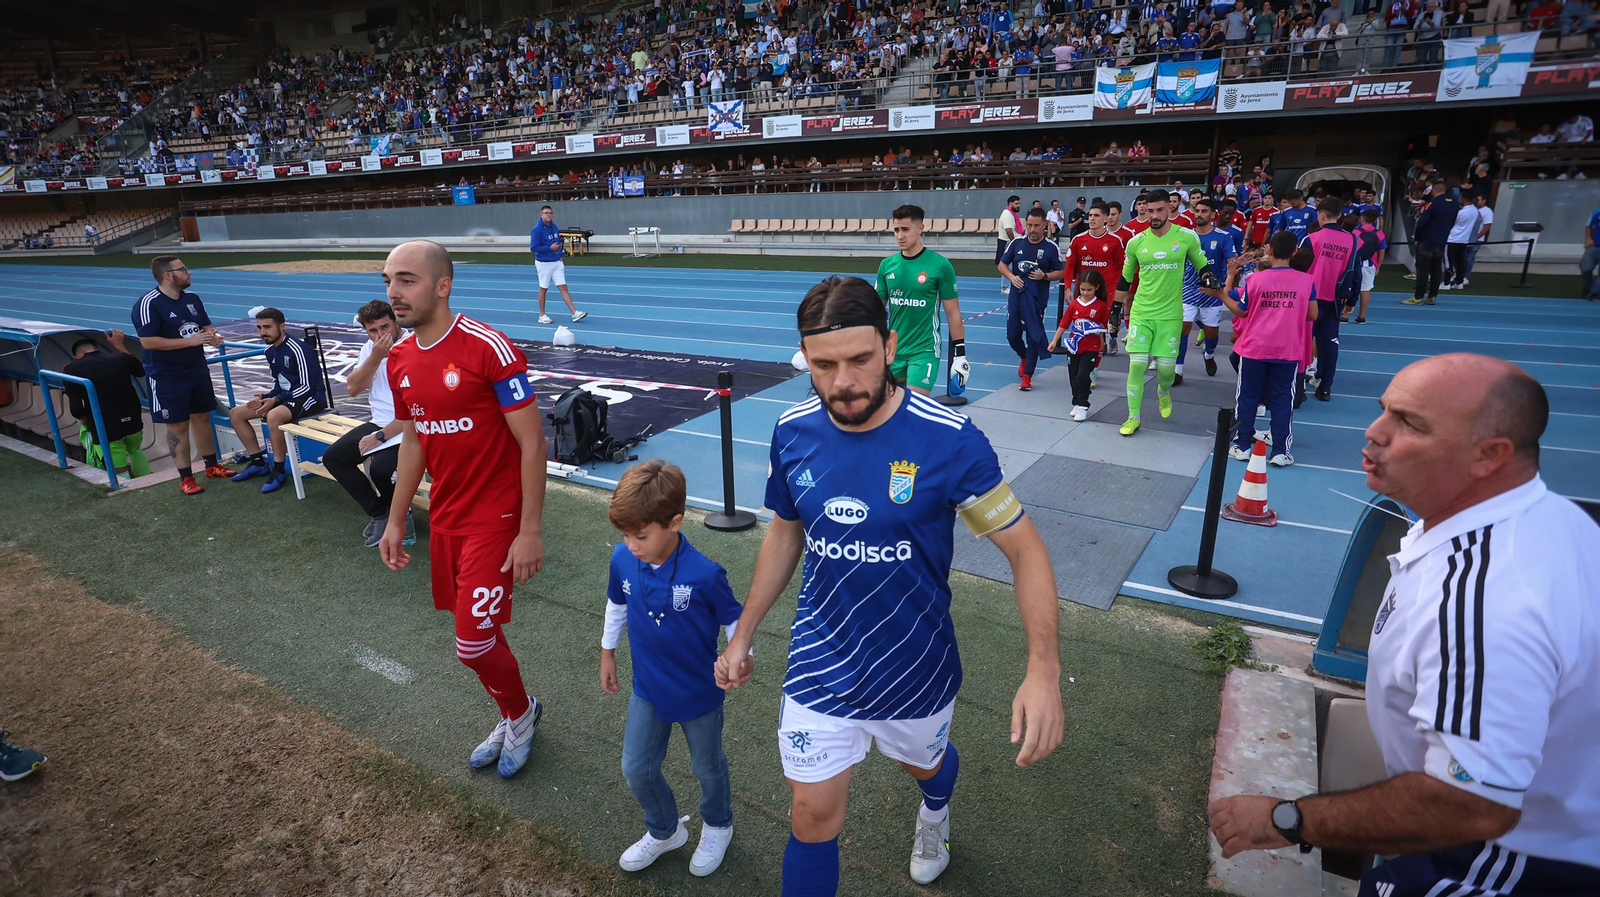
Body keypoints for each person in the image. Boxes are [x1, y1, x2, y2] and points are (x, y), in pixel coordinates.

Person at [715, 276, 1064, 896]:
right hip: (821, 660)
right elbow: (785, 534)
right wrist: (744, 633)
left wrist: (1042, 670)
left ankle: (936, 809)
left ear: (890, 344)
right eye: (824, 365)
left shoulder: (949, 440)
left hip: (915, 665)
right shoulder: (792, 431)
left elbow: (1026, 551)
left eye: (859, 360)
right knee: (811, 815)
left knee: (924, 764)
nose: (843, 381)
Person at [1210, 354, 1600, 897]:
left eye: (1409, 423)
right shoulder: (1542, 521)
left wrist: (1286, 819)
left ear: (1490, 454)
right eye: (1383, 410)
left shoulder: (1485, 599)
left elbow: (1470, 803)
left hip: (1499, 862)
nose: (1374, 432)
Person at [378, 241, 548, 780]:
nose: (393, 292)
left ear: (442, 285)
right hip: (447, 514)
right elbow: (414, 441)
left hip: (496, 518)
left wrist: (530, 530)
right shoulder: (400, 357)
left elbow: (533, 443)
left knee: (471, 642)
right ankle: (511, 709)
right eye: (388, 280)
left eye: (406, 280)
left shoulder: (487, 348)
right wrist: (397, 517)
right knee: (478, 631)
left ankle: (520, 713)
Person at [600, 460, 746, 877]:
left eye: (640, 535)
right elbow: (617, 603)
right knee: (635, 767)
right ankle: (665, 830)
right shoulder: (623, 558)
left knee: (707, 767)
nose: (630, 544)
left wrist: (739, 655)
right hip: (646, 688)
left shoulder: (704, 574)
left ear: (675, 523)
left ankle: (719, 824)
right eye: (625, 535)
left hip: (699, 694)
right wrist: (608, 651)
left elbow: (736, 622)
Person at [1116, 192, 1219, 435]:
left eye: (1159, 210)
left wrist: (1209, 277)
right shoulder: (1136, 242)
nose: (1153, 215)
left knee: (1165, 371)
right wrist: (1114, 311)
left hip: (1171, 314)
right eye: (1149, 210)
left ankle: (1163, 392)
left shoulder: (1186, 237)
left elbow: (1201, 263)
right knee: (1137, 365)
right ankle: (1133, 417)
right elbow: (1125, 279)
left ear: (1170, 208)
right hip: (1142, 312)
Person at [1210, 232, 1317, 466]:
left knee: (1247, 398)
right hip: (1287, 350)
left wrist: (1219, 294)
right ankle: (1280, 451)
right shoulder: (1306, 281)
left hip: (1255, 349)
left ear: (1270, 251)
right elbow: (1312, 314)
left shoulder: (1255, 280)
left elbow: (1241, 310)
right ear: (1294, 252)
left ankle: (1242, 446)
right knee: (1282, 400)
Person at [132, 255, 231, 495]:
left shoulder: (192, 299)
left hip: (197, 370)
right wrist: (189, 342)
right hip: (167, 376)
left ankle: (211, 465)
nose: (189, 273)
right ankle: (186, 478)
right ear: (168, 275)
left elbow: (205, 326)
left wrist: (212, 337)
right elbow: (148, 341)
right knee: (177, 426)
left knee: (202, 417)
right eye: (183, 269)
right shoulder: (149, 304)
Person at [322, 299, 414, 547]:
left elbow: (418, 411)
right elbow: (352, 389)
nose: (380, 335)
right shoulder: (370, 348)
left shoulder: (415, 347)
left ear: (395, 321)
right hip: (381, 422)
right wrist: (375, 356)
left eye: (384, 327)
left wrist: (381, 436)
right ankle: (381, 513)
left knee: (380, 470)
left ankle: (402, 520)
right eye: (372, 331)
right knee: (334, 458)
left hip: (409, 428)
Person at [227, 308, 328, 493]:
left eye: (267, 327)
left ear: (282, 326)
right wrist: (266, 397)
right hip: (287, 398)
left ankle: (279, 470)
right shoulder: (270, 351)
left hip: (311, 399)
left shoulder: (299, 349)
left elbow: (307, 388)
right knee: (236, 413)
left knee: (273, 416)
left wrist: (275, 400)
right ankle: (258, 462)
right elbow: (281, 383)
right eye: (259, 327)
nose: (263, 332)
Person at [876, 205, 968, 396]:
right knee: (883, 413)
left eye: (905, 229)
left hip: (924, 350)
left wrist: (960, 355)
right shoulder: (887, 265)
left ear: (920, 229)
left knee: (913, 408)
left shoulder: (940, 265)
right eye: (896, 230)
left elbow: (953, 313)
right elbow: (874, 309)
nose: (900, 235)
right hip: (893, 350)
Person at [63, 330, 150, 479]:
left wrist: (85, 422)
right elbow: (141, 371)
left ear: (76, 357)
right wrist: (120, 345)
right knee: (135, 450)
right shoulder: (120, 358)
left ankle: (126, 489)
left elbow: (76, 408)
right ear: (98, 349)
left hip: (104, 423)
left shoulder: (71, 369)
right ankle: (149, 481)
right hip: (132, 416)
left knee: (117, 463)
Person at [999, 208, 1066, 392]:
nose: (1033, 229)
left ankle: (1027, 376)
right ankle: (1024, 356)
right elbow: (1002, 264)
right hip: (1016, 296)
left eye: (1037, 225)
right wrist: (1012, 278)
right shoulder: (1016, 243)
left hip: (1038, 298)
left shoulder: (1051, 247)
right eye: (1029, 225)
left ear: (1045, 224)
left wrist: (1044, 276)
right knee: (1012, 335)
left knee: (1033, 335)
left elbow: (1061, 272)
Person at [1176, 198, 1237, 385]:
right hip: (1188, 289)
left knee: (1211, 333)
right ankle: (1178, 371)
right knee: (1183, 329)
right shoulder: (1185, 235)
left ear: (1212, 215)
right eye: (1197, 211)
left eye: (1204, 211)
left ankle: (1209, 355)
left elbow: (1231, 262)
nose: (1199, 214)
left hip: (1212, 293)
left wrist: (1233, 272)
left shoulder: (1223, 237)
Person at [1304, 197, 1360, 401]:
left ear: (1320, 215)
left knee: (1303, 341)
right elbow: (1355, 271)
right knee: (1330, 343)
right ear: (1340, 215)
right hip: (1335, 299)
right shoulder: (1352, 239)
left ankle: (1298, 389)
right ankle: (1325, 386)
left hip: (1309, 299)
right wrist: (1352, 300)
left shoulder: (1311, 238)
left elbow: (1299, 269)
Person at [1047, 270, 1112, 421]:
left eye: (1089, 290)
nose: (1085, 292)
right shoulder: (1074, 305)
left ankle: (1083, 405)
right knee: (1073, 376)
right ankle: (1076, 401)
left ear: (1096, 287)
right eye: (1082, 289)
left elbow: (1106, 323)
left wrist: (1109, 330)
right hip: (1074, 346)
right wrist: (1054, 340)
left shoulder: (1101, 306)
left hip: (1092, 347)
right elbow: (1064, 323)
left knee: (1083, 375)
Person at [1404, 179, 1459, 306]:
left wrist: (1417, 237)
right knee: (1436, 269)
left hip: (1427, 239)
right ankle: (1432, 296)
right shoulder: (1454, 203)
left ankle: (1418, 297)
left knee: (1423, 269)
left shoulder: (1433, 203)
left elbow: (1423, 222)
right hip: (1441, 239)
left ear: (1433, 191)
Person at [530, 206, 587, 324]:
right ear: (541, 215)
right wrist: (549, 248)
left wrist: (560, 255)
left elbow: (558, 243)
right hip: (544, 263)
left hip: (556, 262)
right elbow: (534, 247)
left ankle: (574, 313)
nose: (548, 215)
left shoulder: (554, 227)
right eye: (546, 213)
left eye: (550, 213)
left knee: (563, 287)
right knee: (543, 288)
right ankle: (542, 314)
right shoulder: (537, 230)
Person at [1347, 207, 1388, 324]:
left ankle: (1344, 315)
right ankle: (1362, 316)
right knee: (1365, 290)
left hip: (1355, 264)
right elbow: (1382, 251)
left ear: (1362, 219)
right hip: (1370, 265)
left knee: (1349, 288)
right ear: (1375, 220)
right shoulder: (1380, 234)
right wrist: (1378, 266)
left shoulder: (1355, 232)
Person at [996, 195, 1023, 294]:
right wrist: (1014, 243)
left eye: (1019, 203)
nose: (1018, 206)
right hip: (1007, 242)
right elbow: (1008, 230)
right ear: (1010, 204)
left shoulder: (1012, 214)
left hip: (1010, 242)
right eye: (1016, 204)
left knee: (1011, 264)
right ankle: (1005, 287)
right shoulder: (1007, 214)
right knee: (1006, 265)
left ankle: (1008, 285)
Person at [1582, 200, 1600, 300]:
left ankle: (1594, 293)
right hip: (1594, 245)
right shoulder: (1597, 211)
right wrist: (1588, 238)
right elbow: (1589, 226)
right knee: (1585, 268)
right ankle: (1587, 288)